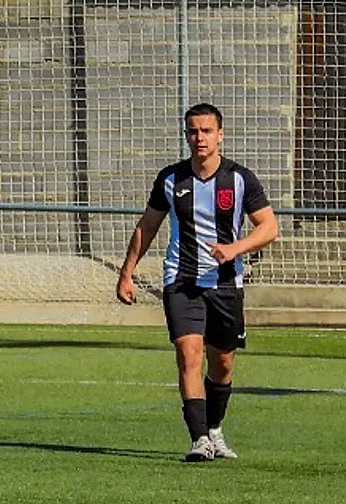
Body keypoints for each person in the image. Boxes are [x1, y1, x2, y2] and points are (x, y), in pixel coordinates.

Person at [116, 103, 278, 462]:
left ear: (220, 134)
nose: (199, 138)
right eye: (193, 131)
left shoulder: (240, 180)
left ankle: (215, 429)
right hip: (182, 281)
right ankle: (199, 439)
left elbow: (269, 227)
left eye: (206, 131)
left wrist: (234, 248)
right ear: (186, 134)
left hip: (225, 283)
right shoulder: (171, 179)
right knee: (188, 355)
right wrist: (127, 272)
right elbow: (147, 226)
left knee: (222, 365)